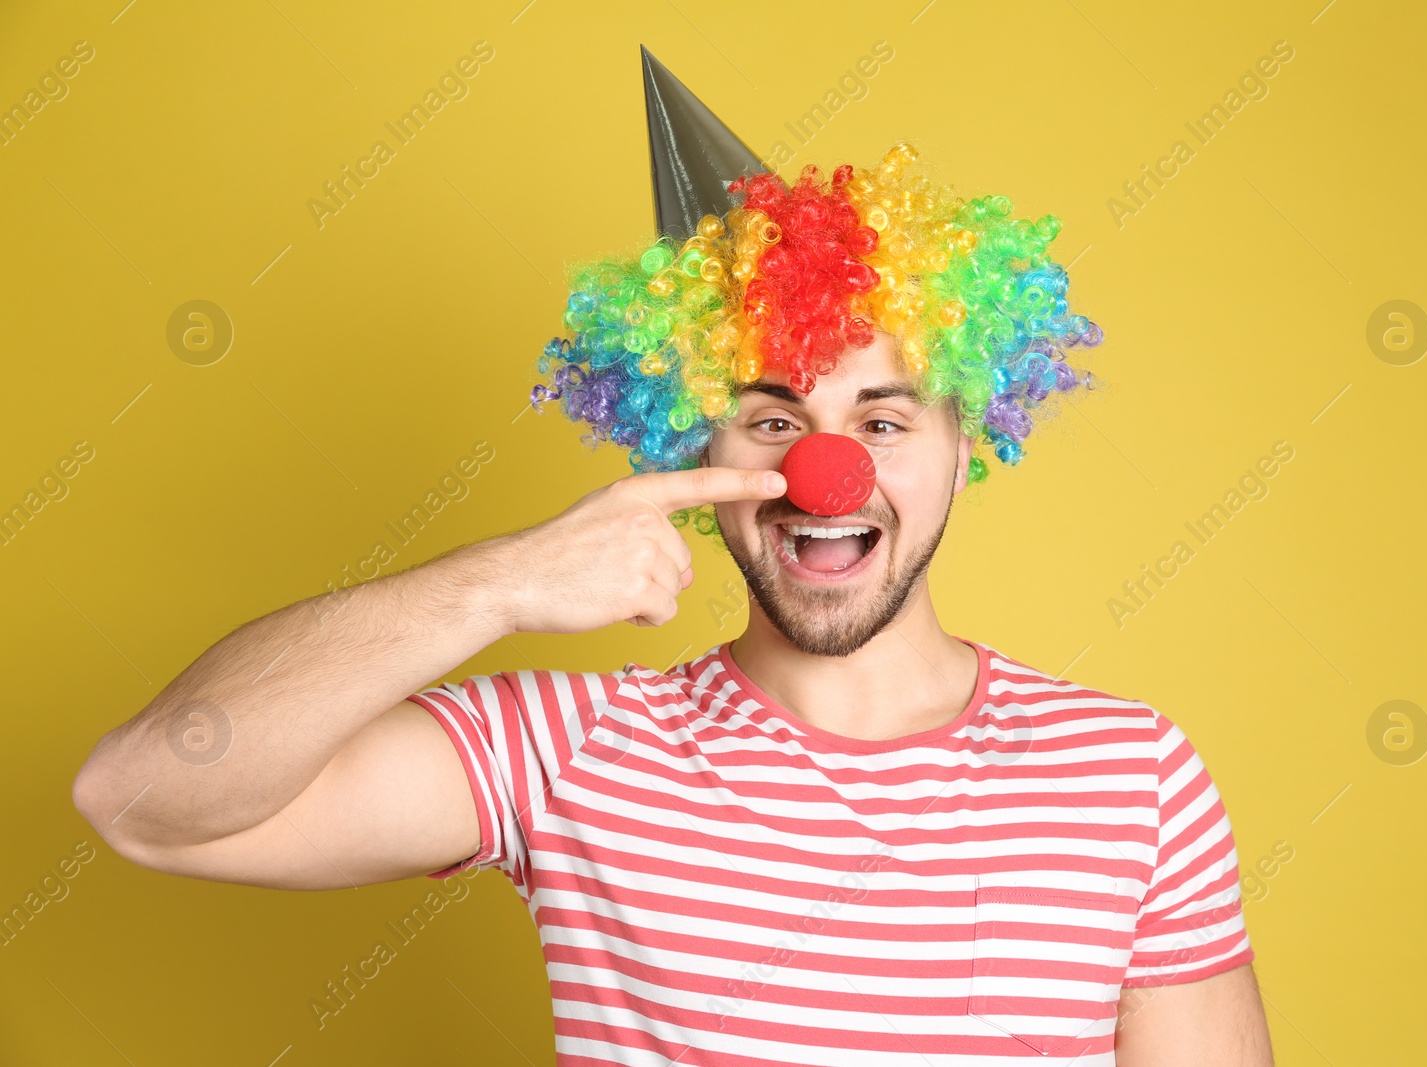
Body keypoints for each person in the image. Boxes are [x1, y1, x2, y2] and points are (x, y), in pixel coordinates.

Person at [72, 50, 1273, 1066]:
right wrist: (497, 581)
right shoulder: (568, 748)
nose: (823, 468)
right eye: (768, 418)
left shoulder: (1133, 775)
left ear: (969, 446)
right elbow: (139, 800)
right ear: (692, 448)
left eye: (884, 419)